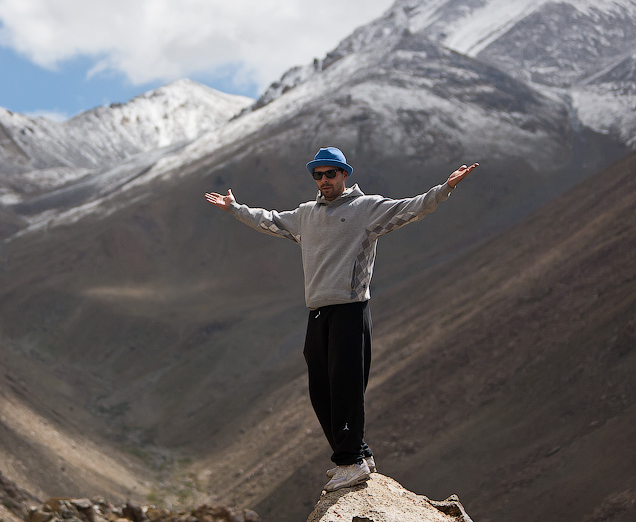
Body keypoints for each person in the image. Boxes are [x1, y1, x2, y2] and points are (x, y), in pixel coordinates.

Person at [204, 147, 478, 492]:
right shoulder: (306, 214)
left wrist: (446, 188)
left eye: (330, 174)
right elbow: (269, 220)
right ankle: (357, 454)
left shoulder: (367, 209)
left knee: (346, 385)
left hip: (351, 308)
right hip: (318, 311)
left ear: (344, 174)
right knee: (321, 389)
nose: (323, 181)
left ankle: (350, 462)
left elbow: (411, 208)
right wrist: (235, 208)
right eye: (317, 175)